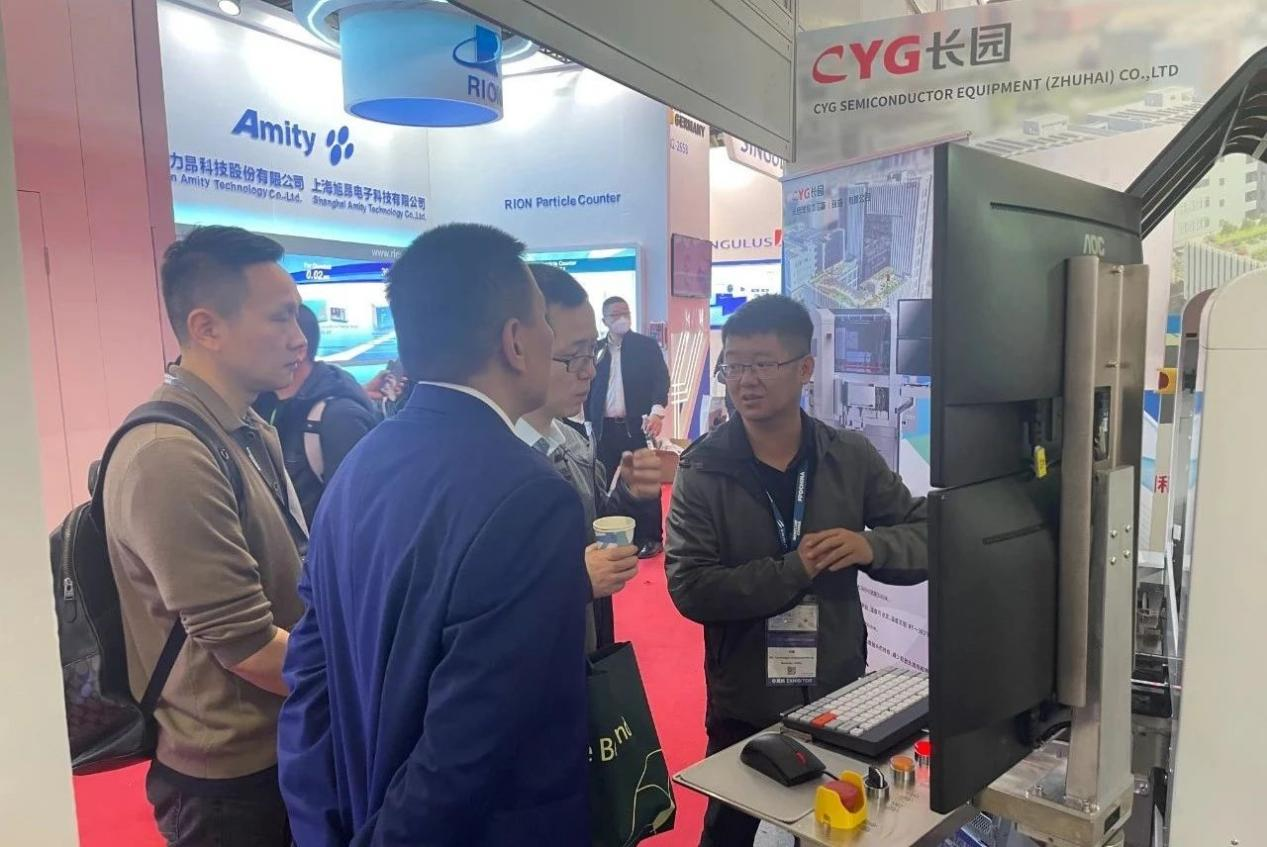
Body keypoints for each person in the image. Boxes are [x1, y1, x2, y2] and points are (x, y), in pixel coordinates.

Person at [279, 224, 591, 846]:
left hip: (360, 812)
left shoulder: (360, 462)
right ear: (515, 341)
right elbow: (467, 748)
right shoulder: (529, 494)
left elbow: (308, 680)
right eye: (545, 323)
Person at [665, 295, 928, 847]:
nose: (746, 380)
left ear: (805, 368)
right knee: (729, 828)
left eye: (763, 364)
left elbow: (926, 536)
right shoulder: (703, 468)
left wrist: (871, 547)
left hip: (837, 686)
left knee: (837, 825)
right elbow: (691, 588)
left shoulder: (848, 456)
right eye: (735, 365)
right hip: (745, 693)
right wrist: (794, 569)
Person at [103, 226, 308, 846]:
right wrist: (366, 682)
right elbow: (246, 646)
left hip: (280, 743)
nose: (300, 338)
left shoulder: (245, 428)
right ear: (207, 328)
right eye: (280, 318)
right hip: (229, 782)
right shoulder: (169, 454)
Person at [518, 263, 663, 651]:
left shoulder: (572, 442)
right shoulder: (490, 463)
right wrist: (576, 580)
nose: (589, 373)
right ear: (517, 349)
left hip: (586, 647)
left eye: (591, 353)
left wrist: (628, 495)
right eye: (573, 357)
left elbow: (596, 529)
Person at [253, 304, 380, 525]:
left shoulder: (340, 420)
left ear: (299, 350)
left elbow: (354, 520)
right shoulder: (262, 403)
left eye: (259, 343)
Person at [585, 295, 672, 559]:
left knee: (643, 479)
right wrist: (585, 421)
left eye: (625, 313)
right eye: (615, 315)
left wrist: (657, 412)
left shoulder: (645, 346)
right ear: (604, 320)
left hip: (635, 426)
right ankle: (612, 536)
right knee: (603, 483)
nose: (621, 318)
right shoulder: (596, 350)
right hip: (603, 428)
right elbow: (587, 386)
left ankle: (650, 538)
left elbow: (660, 379)